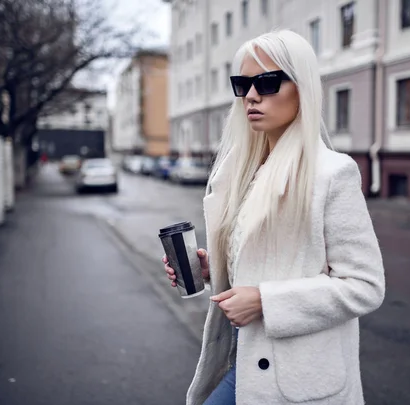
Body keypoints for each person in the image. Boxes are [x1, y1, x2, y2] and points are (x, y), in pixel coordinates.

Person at [162, 29, 385, 405]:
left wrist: (266, 301)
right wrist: (210, 268)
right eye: (243, 84)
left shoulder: (332, 174)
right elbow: (259, 259)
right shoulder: (243, 171)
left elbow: (365, 286)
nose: (251, 95)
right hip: (244, 358)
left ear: (303, 88)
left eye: (266, 82)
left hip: (297, 380)